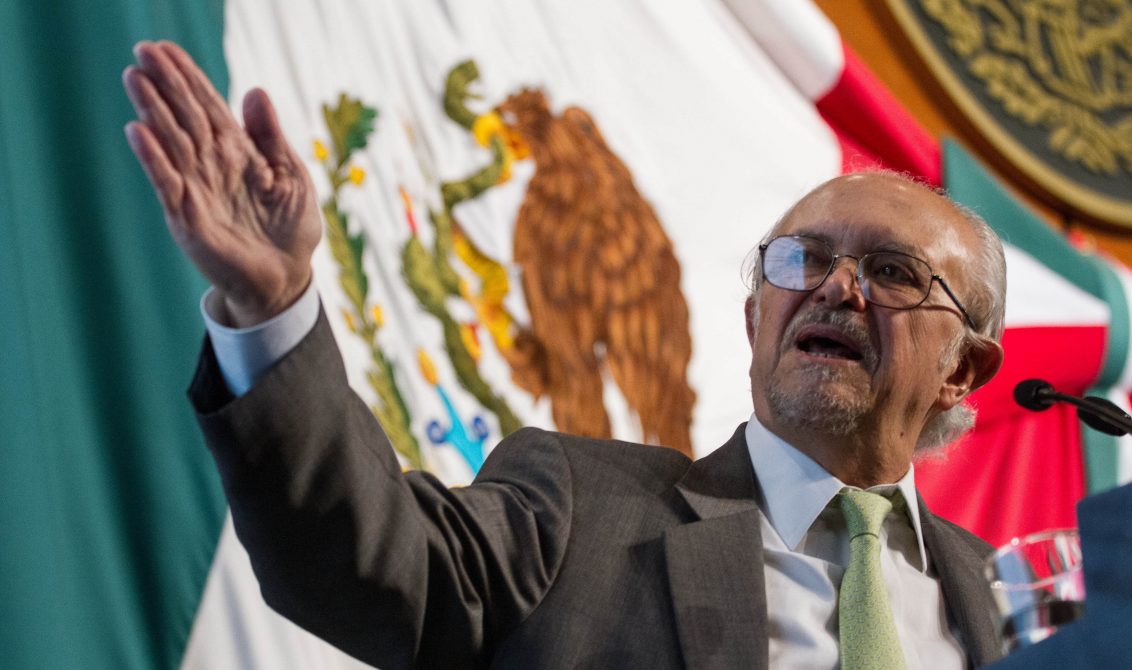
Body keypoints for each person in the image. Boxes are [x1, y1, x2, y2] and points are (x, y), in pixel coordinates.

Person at [124, 40, 1007, 669]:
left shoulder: (1008, 603)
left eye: (891, 271)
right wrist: (273, 305)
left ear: (960, 371)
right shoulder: (581, 511)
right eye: (803, 260)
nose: (835, 289)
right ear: (752, 323)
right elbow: (370, 560)